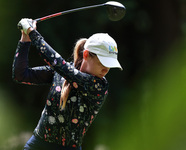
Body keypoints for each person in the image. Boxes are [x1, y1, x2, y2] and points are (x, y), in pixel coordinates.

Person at [12, 18, 122, 150]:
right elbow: (21, 75)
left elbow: (58, 64)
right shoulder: (62, 72)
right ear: (86, 55)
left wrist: (32, 32)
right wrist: (25, 40)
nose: (106, 69)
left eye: (110, 65)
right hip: (38, 144)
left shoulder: (99, 86)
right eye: (103, 63)